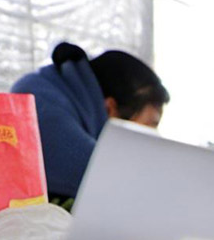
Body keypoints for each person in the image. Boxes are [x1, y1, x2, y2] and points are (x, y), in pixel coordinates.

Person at [12, 41, 170, 200]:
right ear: (111, 109)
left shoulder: (63, 94)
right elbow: (103, 178)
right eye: (149, 125)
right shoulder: (38, 100)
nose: (150, 139)